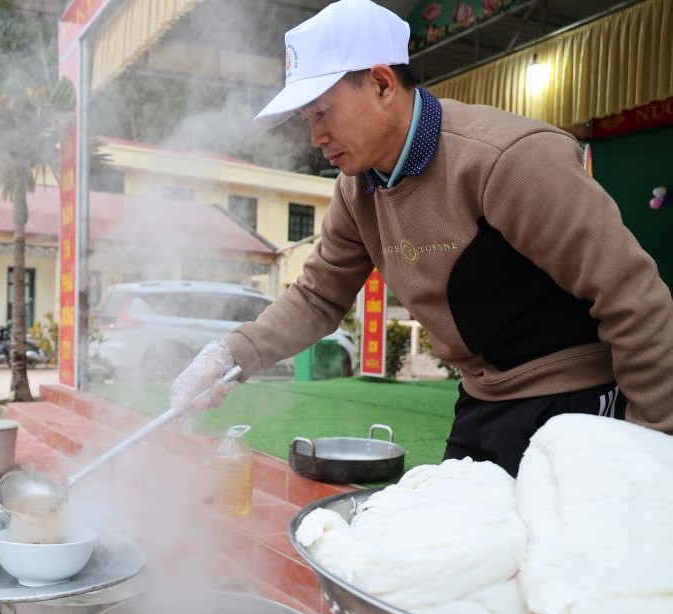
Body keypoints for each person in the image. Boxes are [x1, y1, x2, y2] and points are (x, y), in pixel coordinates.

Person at [171, 0, 673, 476]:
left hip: (576, 398)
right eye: (307, 119)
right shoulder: (356, 188)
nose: (315, 137)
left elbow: (634, 298)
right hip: (481, 396)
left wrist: (650, 444)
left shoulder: (507, 160)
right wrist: (231, 355)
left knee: (564, 558)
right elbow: (318, 296)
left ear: (383, 85)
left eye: (322, 112)